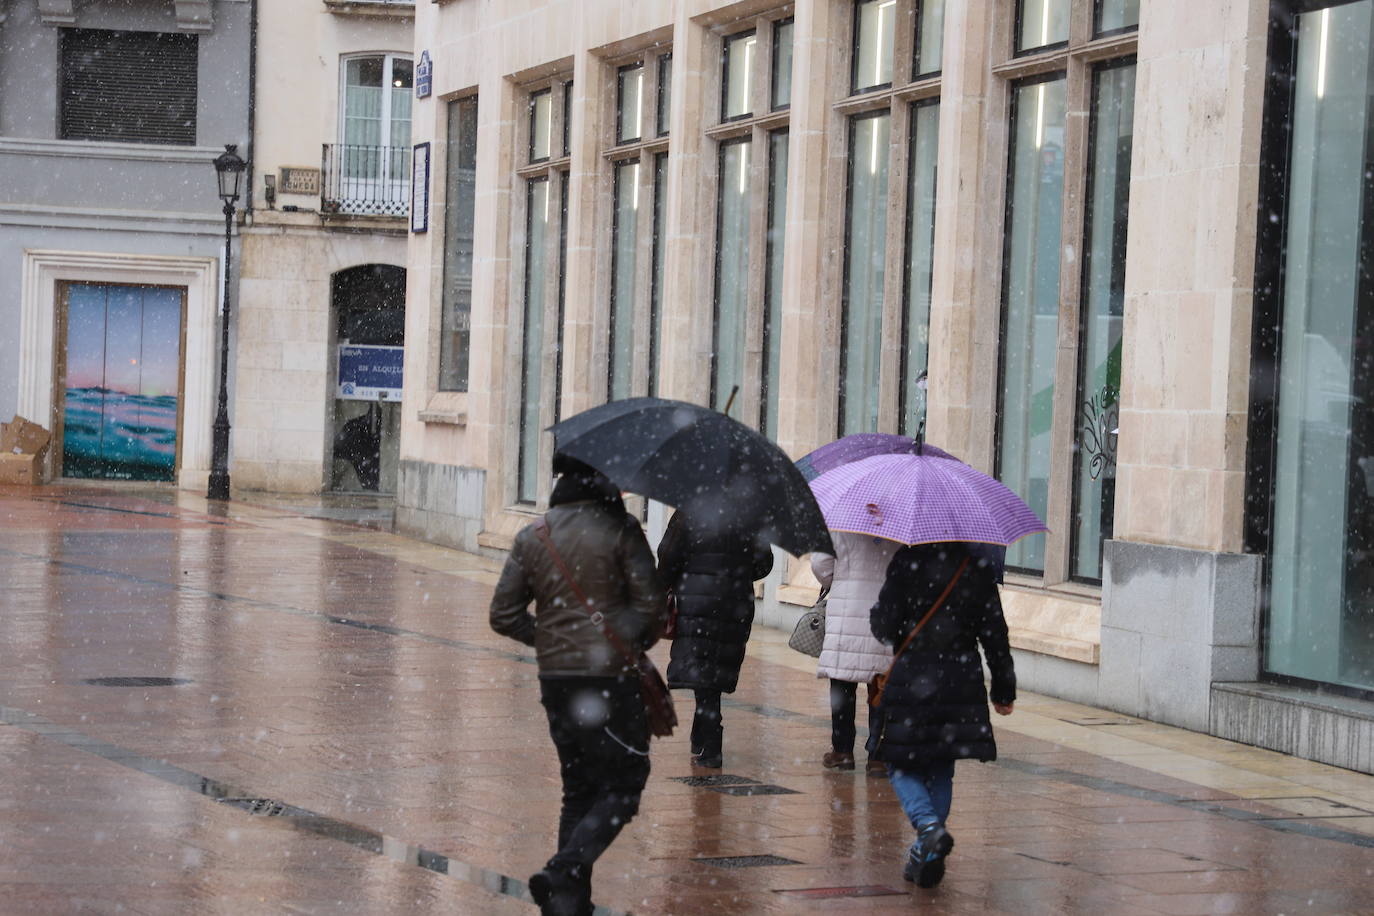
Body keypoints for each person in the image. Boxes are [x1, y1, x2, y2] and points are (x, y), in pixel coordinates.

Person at [489, 455, 667, 916]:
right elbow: (650, 612)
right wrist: (631, 642)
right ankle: (562, 870)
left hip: (556, 679)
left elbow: (502, 615)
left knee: (579, 785)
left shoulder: (535, 535)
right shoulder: (622, 531)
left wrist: (550, 640)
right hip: (609, 680)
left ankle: (568, 906)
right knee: (626, 782)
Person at [868, 541, 1016, 890]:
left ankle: (928, 828)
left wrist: (881, 614)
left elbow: (885, 627)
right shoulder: (976, 567)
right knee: (940, 765)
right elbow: (996, 633)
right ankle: (926, 854)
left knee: (900, 762)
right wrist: (1004, 689)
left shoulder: (906, 561)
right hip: (961, 680)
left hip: (913, 677)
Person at [657, 507, 773, 768]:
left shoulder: (688, 511)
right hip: (735, 601)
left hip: (697, 599)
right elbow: (764, 564)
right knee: (716, 666)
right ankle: (702, 736)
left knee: (702, 667)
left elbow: (668, 556)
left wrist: (664, 585)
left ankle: (710, 744)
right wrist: (736, 570)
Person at [810, 532, 900, 772]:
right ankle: (878, 755)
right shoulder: (900, 523)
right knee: (880, 683)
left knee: (842, 681)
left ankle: (842, 751)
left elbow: (820, 563)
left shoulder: (841, 522)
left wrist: (837, 579)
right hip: (886, 611)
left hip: (847, 610)